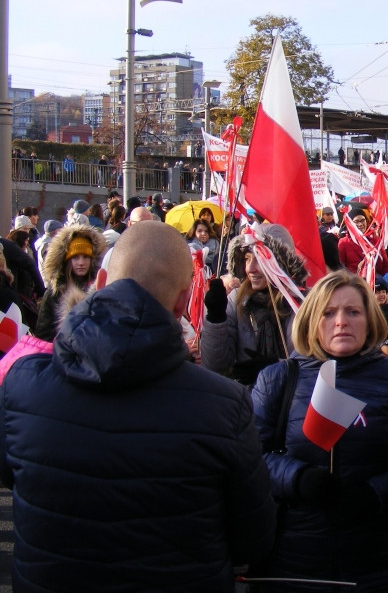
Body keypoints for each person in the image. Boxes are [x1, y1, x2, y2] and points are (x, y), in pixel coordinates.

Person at [0, 221, 276, 591]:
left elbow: (10, 476)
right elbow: (253, 538)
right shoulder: (225, 407)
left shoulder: (22, 382)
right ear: (181, 303)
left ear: (100, 281)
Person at [251, 271, 388, 592]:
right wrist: (297, 479)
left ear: (370, 320)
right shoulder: (278, 379)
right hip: (294, 560)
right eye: (329, 312)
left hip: (380, 563)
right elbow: (250, 460)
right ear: (312, 320)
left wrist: (375, 493)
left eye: (353, 312)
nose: (341, 321)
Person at [201, 228, 307, 386]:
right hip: (247, 400)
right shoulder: (235, 300)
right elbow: (216, 366)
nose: (250, 269)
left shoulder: (305, 303)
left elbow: (315, 364)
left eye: (259, 259)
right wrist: (215, 320)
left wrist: (275, 367)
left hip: (295, 397)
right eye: (247, 259)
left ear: (280, 262)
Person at [33, 224, 107, 342]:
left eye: (86, 257)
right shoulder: (54, 293)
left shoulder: (100, 289)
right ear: (67, 260)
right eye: (75, 257)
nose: (81, 262)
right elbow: (42, 335)